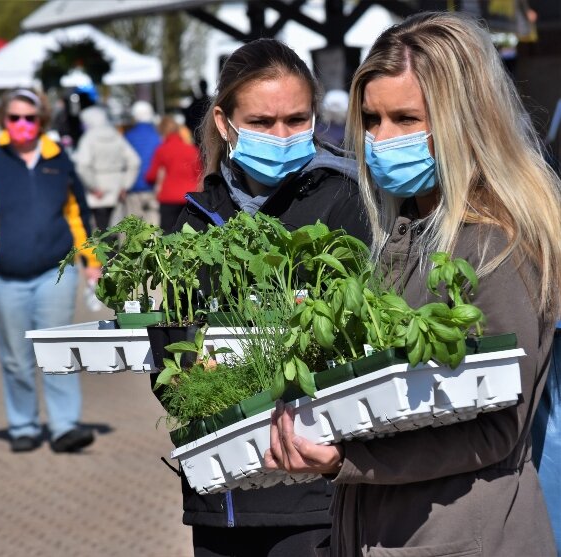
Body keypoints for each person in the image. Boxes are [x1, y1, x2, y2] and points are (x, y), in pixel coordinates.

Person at [265, 12, 561, 556]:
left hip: (462, 532)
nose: (382, 139)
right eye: (372, 119)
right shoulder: (406, 227)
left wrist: (347, 459)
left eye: (406, 118)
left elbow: (496, 429)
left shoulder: (493, 242)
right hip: (390, 528)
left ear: (464, 119)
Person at [157, 39, 369, 557]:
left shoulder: (345, 202)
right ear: (225, 124)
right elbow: (168, 346)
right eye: (262, 122)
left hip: (313, 490)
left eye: (297, 119)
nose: (282, 136)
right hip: (221, 488)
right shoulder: (197, 218)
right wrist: (195, 386)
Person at [0, 88, 100, 454]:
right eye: (14, 117)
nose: (22, 124)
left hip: (53, 273)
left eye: (29, 118)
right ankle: (23, 425)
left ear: (42, 121)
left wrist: (91, 264)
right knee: (16, 357)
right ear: (4, 120)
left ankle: (65, 426)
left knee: (57, 350)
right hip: (0, 277)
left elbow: (78, 215)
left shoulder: (57, 158)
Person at [73, 105, 140, 231]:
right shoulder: (116, 135)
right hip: (117, 188)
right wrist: (125, 185)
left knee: (99, 232)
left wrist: (93, 187)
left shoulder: (88, 138)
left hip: (97, 192)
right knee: (117, 232)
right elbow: (134, 161)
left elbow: (82, 165)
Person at [144, 115, 201, 233]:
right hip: (189, 197)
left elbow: (152, 176)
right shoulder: (191, 149)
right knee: (189, 233)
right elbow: (199, 173)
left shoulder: (162, 150)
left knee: (168, 234)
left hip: (168, 198)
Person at [123, 100, 161, 225]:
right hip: (153, 185)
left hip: (134, 185)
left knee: (134, 227)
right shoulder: (158, 136)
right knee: (153, 224)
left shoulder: (128, 136)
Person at [183, 78, 211, 146]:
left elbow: (188, 114)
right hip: (199, 134)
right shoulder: (208, 101)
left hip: (202, 134)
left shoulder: (200, 101)